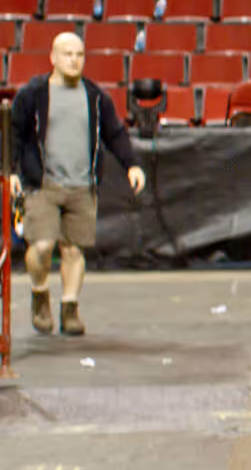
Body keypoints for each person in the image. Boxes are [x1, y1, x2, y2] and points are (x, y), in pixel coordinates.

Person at [7, 32, 146, 338]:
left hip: (83, 185)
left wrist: (132, 164)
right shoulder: (33, 93)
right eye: (67, 54)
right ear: (53, 58)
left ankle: (70, 308)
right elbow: (12, 133)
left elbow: (115, 134)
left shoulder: (95, 96)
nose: (74, 60)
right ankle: (39, 292)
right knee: (41, 246)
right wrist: (11, 170)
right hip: (42, 184)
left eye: (79, 54)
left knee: (73, 250)